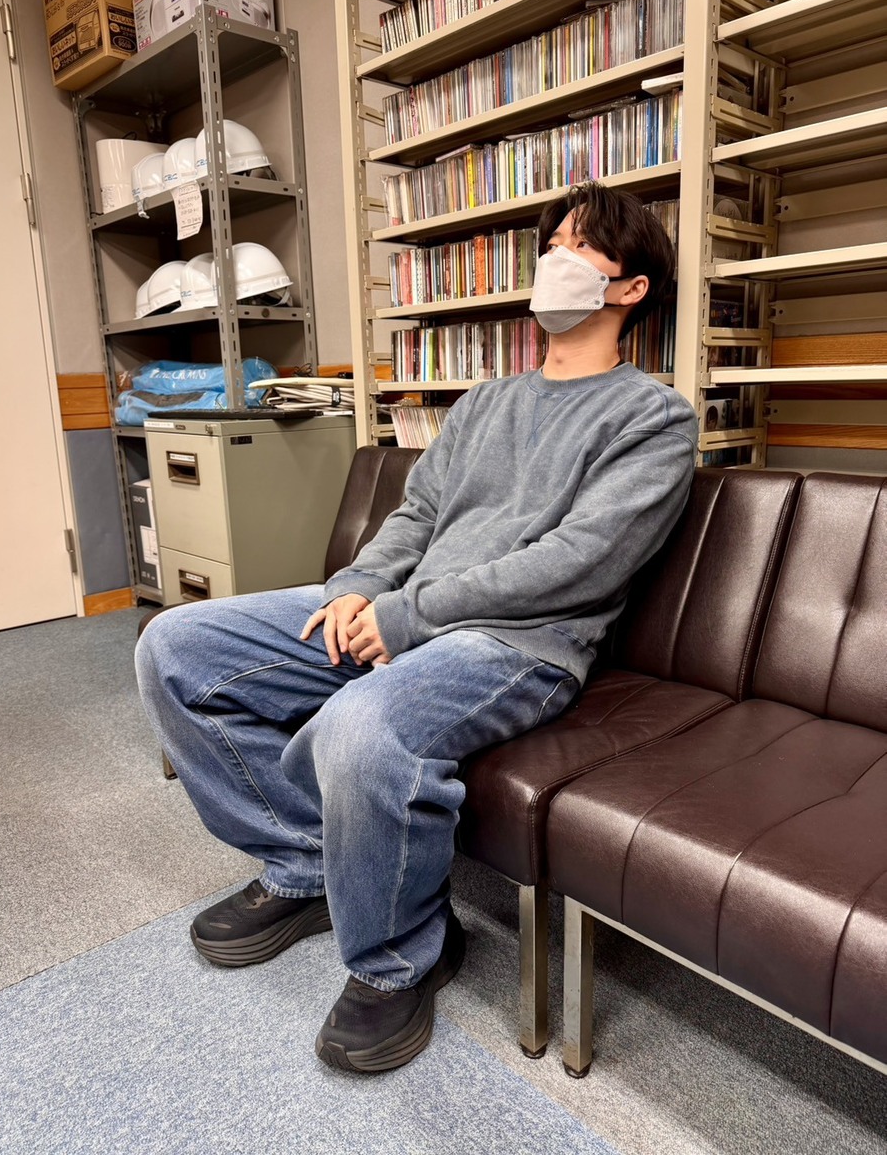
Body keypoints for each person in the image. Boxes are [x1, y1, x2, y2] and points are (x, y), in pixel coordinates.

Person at [135, 180, 699, 1074]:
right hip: (405, 612)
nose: (556, 259)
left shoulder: (655, 420)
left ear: (631, 287)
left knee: (362, 726)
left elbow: (579, 562)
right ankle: (306, 860)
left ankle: (401, 957)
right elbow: (416, 516)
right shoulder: (484, 402)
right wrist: (357, 588)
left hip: (522, 645)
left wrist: (406, 616)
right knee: (175, 647)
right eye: (551, 243)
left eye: (582, 246)